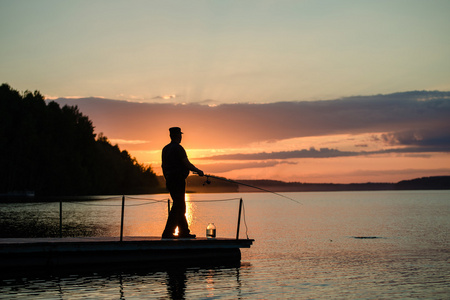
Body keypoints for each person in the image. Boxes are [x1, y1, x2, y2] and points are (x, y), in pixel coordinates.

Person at [161, 127, 204, 238]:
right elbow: (186, 163)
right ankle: (168, 233)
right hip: (178, 181)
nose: (181, 137)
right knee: (178, 206)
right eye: (180, 135)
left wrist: (167, 178)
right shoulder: (179, 148)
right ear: (177, 136)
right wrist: (198, 171)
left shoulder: (165, 149)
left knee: (180, 206)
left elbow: (163, 166)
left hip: (170, 181)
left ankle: (184, 232)